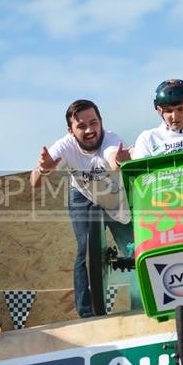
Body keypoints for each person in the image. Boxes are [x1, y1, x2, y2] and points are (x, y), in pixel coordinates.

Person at [30, 99, 134, 318]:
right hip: (83, 195)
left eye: (93, 123)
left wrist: (119, 162)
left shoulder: (112, 141)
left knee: (133, 248)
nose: (89, 130)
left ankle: (141, 301)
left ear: (101, 122)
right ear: (70, 130)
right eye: (81, 126)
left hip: (116, 197)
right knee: (84, 248)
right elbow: (34, 182)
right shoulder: (65, 146)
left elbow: (113, 158)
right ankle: (87, 313)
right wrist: (43, 169)